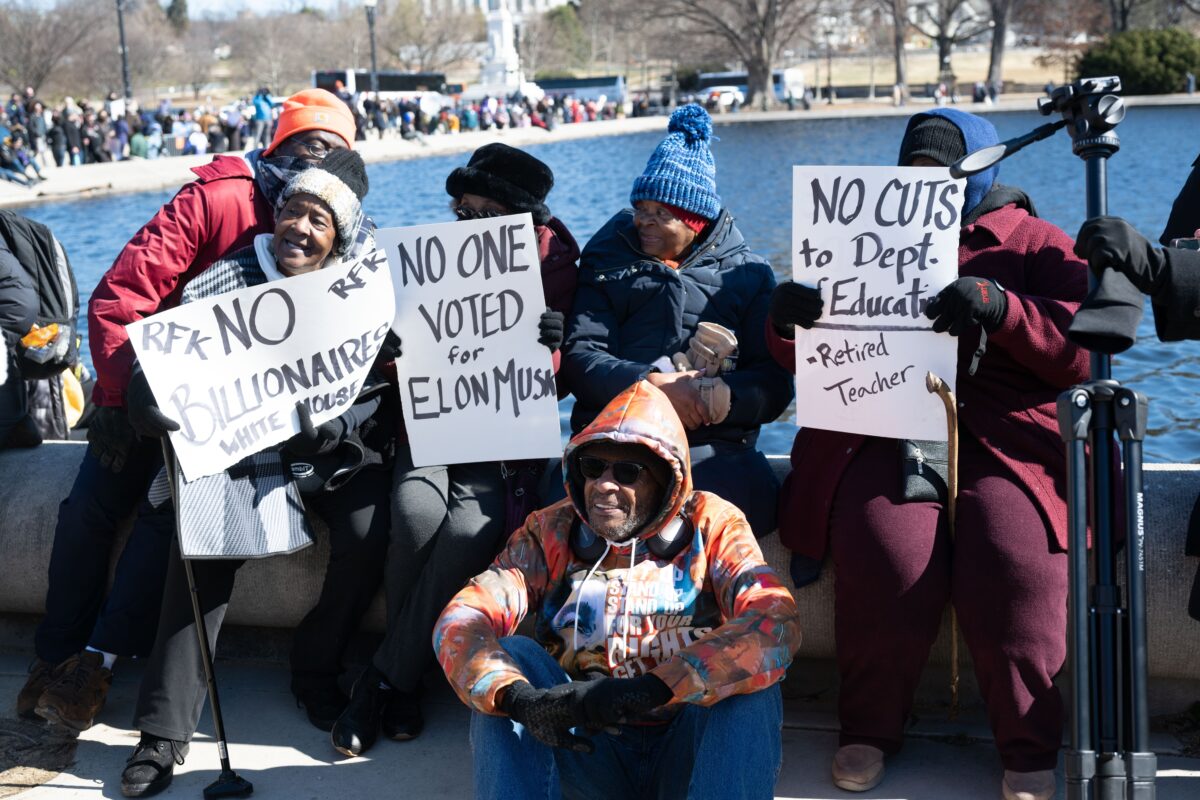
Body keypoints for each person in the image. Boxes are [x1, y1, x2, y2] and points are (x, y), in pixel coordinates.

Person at [766, 108, 1089, 800]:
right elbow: (818, 363)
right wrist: (787, 321)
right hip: (888, 427)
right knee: (885, 553)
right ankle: (868, 728)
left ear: (982, 171)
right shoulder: (861, 235)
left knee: (1015, 562)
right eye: (914, 171)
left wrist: (1002, 308)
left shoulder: (1038, 243)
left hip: (1006, 440)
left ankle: (1029, 742)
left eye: (947, 171)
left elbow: (1081, 356)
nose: (930, 184)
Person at [16, 88, 361, 735]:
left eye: (335, 153)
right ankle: (53, 657)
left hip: (223, 423)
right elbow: (123, 291)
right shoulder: (219, 198)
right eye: (307, 146)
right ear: (278, 147)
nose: (318, 162)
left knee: (165, 513)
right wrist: (121, 393)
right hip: (141, 392)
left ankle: (94, 668)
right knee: (91, 502)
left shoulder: (340, 234)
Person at [119, 150, 392, 798]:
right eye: (293, 208)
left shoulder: (364, 291)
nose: (299, 226)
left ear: (341, 237)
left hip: (331, 453)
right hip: (243, 457)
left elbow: (382, 379)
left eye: (319, 219)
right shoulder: (224, 281)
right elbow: (159, 362)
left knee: (371, 529)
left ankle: (317, 670)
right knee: (199, 559)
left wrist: (340, 420)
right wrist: (143, 399)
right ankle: (162, 737)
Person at [433, 379, 801, 800]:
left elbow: (775, 620)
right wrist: (517, 700)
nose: (604, 484)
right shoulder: (550, 530)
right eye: (593, 467)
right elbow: (463, 618)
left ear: (668, 482)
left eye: (627, 472)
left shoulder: (714, 525)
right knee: (512, 659)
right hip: (584, 743)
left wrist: (652, 688)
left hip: (685, 747)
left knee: (751, 685)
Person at [330, 143, 580, 755]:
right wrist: (387, 348)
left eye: (482, 212)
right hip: (427, 426)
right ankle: (403, 677)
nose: (466, 222)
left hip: (496, 442)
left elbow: (562, 373)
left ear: (519, 217)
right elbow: (377, 350)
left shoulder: (557, 262)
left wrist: (555, 343)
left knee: (475, 528)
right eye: (461, 209)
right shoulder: (427, 255)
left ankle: (388, 679)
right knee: (414, 513)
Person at [561, 104, 793, 539]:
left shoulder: (750, 275)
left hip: (713, 443)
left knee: (745, 498)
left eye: (660, 213)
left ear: (694, 220)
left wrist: (714, 395)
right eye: (640, 208)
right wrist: (651, 386)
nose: (643, 221)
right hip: (617, 435)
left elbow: (774, 385)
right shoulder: (607, 259)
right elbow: (581, 355)